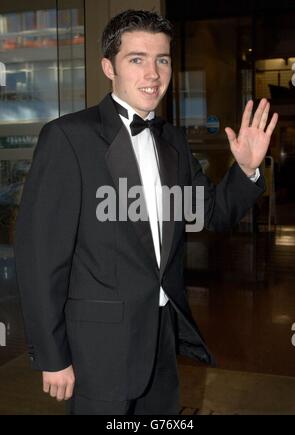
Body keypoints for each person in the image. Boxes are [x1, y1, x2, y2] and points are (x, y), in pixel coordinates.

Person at [14, 9, 278, 415]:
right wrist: (52, 356)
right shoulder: (69, 138)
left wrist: (245, 170)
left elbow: (211, 214)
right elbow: (40, 258)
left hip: (161, 340)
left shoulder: (171, 140)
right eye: (136, 59)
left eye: (163, 60)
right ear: (109, 67)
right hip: (96, 351)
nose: (153, 73)